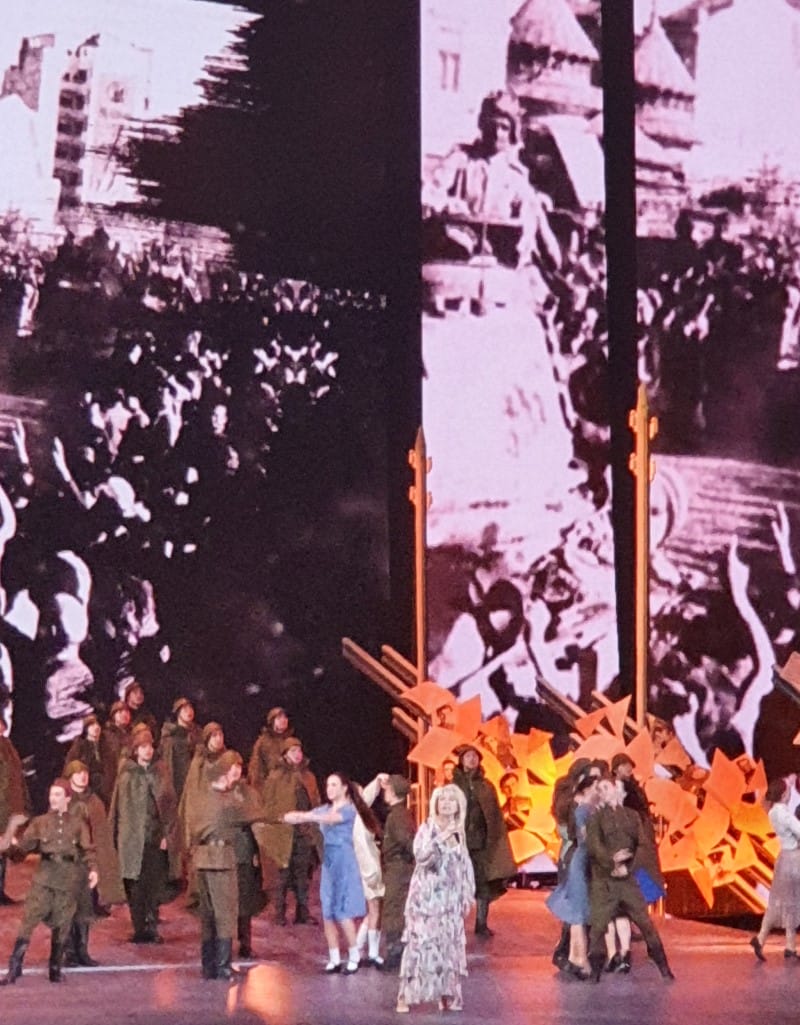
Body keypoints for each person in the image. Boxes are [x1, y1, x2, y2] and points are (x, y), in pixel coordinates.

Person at [0, 777, 97, 985]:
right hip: (44, 878)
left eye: (58, 795)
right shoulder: (40, 823)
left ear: (67, 798)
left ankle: (55, 968)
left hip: (67, 879)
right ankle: (14, 967)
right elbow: (20, 852)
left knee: (62, 924)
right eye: (52, 794)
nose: (53, 798)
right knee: (29, 921)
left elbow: (88, 849)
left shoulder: (77, 824)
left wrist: (93, 870)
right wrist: (11, 834)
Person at [395, 784, 475, 1014]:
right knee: (421, 946)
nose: (447, 803)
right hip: (426, 898)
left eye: (451, 800)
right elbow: (421, 857)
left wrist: (467, 893)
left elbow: (464, 864)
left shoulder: (459, 832)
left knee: (447, 947)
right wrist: (442, 836)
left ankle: (445, 994)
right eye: (443, 800)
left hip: (450, 900)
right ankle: (405, 995)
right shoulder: (427, 828)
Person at [585, 776, 675, 982]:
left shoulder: (632, 817)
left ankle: (663, 967)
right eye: (601, 790)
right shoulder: (596, 818)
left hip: (627, 881)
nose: (604, 793)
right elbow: (594, 846)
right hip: (605, 882)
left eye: (607, 788)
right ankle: (595, 971)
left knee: (646, 924)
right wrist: (612, 861)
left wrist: (628, 866)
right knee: (598, 927)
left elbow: (643, 845)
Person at [283, 771, 374, 974]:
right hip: (329, 861)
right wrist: (290, 817)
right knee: (328, 910)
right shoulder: (324, 809)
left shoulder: (349, 809)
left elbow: (331, 819)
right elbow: (308, 816)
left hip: (345, 861)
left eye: (334, 785)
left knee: (343, 910)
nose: (329, 789)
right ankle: (334, 958)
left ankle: (354, 954)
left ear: (344, 788)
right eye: (328, 785)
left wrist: (307, 816)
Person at [187, 749, 262, 980]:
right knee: (225, 912)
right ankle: (222, 966)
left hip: (203, 858)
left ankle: (209, 965)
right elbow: (255, 813)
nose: (236, 775)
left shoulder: (201, 796)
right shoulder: (227, 802)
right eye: (232, 770)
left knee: (209, 914)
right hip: (221, 859)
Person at [109, 726, 179, 943]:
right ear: (135, 750)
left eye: (150, 746)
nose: (147, 750)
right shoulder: (127, 774)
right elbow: (117, 807)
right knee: (135, 886)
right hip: (131, 839)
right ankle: (139, 927)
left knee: (153, 884)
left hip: (154, 838)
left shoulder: (161, 772)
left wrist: (168, 835)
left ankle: (151, 926)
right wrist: (113, 837)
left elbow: (169, 807)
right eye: (142, 746)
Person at [61, 759, 125, 967]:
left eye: (85, 773)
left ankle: (82, 950)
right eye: (78, 773)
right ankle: (69, 952)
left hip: (88, 863)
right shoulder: (63, 799)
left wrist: (100, 863)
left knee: (85, 909)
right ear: (70, 776)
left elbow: (101, 835)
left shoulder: (94, 801)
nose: (83, 776)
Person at [453, 744, 516, 937]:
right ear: (461, 760)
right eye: (468, 756)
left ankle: (481, 924)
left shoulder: (486, 786)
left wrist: (493, 841)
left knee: (483, 885)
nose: (472, 759)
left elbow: (494, 815)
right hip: (458, 844)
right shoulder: (454, 786)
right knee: (457, 884)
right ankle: (454, 924)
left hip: (480, 844)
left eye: (475, 756)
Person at [260, 736, 321, 926]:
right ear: (285, 754)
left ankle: (303, 912)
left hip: (304, 831)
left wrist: (313, 824)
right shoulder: (275, 777)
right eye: (293, 751)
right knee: (282, 875)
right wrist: (280, 818)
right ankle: (279, 913)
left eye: (299, 750)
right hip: (283, 833)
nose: (297, 754)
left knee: (302, 875)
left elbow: (315, 802)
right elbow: (267, 807)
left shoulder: (308, 777)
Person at [545, 769, 598, 979]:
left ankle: (577, 957)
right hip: (581, 860)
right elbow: (585, 838)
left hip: (580, 860)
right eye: (595, 788)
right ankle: (580, 958)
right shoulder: (582, 809)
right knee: (579, 914)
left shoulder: (582, 807)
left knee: (578, 914)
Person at [750, 777, 800, 961]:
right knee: (791, 903)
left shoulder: (773, 812)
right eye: (788, 791)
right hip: (793, 859)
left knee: (783, 903)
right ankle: (781, 944)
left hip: (784, 859)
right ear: (784, 794)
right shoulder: (784, 814)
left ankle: (769, 940)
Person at [377, 773, 415, 971]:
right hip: (398, 867)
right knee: (395, 908)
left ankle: (395, 953)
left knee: (394, 909)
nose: (385, 791)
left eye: (388, 788)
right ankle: (396, 951)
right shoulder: (400, 813)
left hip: (398, 868)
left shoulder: (397, 816)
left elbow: (406, 841)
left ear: (393, 791)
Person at [353, 774, 385, 966]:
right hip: (369, 869)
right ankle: (370, 951)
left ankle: (360, 945)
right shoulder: (356, 819)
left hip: (371, 866)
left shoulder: (360, 816)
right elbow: (362, 849)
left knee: (374, 909)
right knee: (374, 909)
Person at [0, 717, 27, 904]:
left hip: (8, 806)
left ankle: (0, 889)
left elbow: (16, 777)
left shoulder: (7, 745)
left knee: (3, 850)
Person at [160, 697, 201, 800]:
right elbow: (167, 762)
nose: (189, 712)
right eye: (185, 709)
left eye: (190, 708)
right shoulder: (170, 736)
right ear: (178, 713)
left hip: (195, 780)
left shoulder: (198, 733)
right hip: (178, 782)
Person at [249, 707, 294, 789]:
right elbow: (256, 769)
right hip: (271, 787)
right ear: (272, 721)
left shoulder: (291, 741)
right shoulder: (263, 742)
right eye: (279, 718)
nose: (283, 720)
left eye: (285, 717)